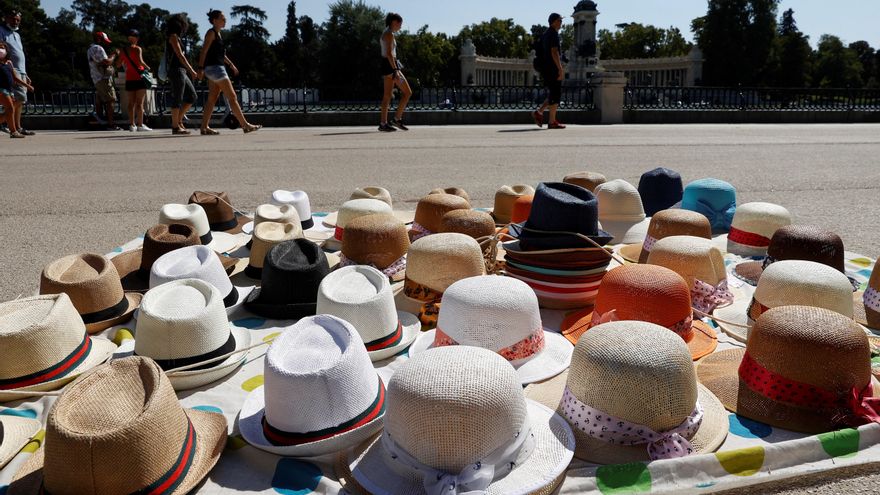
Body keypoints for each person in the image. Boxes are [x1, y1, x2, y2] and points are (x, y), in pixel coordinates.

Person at [197, 9, 261, 135]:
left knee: (212, 98)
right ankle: (245, 125)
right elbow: (203, 51)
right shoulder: (211, 33)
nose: (225, 20)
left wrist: (231, 65)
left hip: (214, 68)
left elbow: (221, 54)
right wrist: (200, 68)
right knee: (232, 97)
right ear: (215, 20)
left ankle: (204, 127)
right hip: (216, 69)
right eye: (222, 18)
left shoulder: (218, 34)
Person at [0, 8, 34, 136]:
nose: (15, 22)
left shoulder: (17, 34)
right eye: (13, 19)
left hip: (21, 70)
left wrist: (26, 74)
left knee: (20, 102)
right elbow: (1, 50)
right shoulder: (1, 31)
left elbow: (19, 54)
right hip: (11, 69)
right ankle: (4, 121)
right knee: (20, 98)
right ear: (6, 18)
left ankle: (17, 127)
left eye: (18, 20)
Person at [378, 12, 412, 132]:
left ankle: (383, 123)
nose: (400, 27)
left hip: (387, 65)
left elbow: (388, 54)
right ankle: (397, 119)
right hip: (390, 66)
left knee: (387, 96)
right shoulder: (389, 34)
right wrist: (396, 70)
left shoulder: (387, 33)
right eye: (400, 24)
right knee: (407, 93)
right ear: (394, 22)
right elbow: (389, 54)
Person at [532, 13, 566, 130]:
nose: (561, 23)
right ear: (554, 21)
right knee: (555, 93)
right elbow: (554, 52)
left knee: (553, 93)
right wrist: (560, 69)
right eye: (560, 20)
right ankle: (551, 121)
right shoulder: (553, 34)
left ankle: (541, 113)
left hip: (546, 68)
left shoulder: (546, 34)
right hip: (552, 68)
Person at [165, 13, 198, 135]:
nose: (185, 26)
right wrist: (192, 70)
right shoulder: (173, 37)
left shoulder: (177, 37)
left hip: (181, 71)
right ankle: (175, 126)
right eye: (184, 23)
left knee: (192, 96)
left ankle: (178, 121)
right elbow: (180, 56)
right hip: (177, 70)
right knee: (178, 98)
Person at [118, 29, 152, 132]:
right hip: (139, 78)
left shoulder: (123, 50)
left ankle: (132, 125)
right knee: (139, 104)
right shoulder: (138, 49)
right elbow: (141, 62)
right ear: (137, 38)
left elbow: (118, 64)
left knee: (130, 103)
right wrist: (149, 68)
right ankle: (140, 125)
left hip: (130, 78)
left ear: (129, 38)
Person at [87, 31, 120, 130]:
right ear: (99, 39)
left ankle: (99, 118)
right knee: (111, 99)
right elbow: (106, 62)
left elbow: (101, 61)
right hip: (103, 78)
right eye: (104, 40)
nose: (105, 43)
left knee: (100, 99)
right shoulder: (98, 48)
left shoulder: (90, 49)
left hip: (96, 78)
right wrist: (114, 55)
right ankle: (111, 124)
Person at [0, 41, 32, 138]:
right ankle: (13, 132)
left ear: (6, 50)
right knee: (10, 108)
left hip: (9, 89)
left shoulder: (9, 63)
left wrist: (27, 85)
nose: (0, 50)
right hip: (1, 89)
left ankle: (13, 131)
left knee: (10, 110)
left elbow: (15, 78)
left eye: (2, 47)